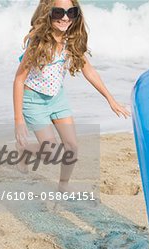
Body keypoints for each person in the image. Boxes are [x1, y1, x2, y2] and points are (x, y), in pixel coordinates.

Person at [13, 0, 130, 193]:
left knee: (71, 147)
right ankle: (24, 151)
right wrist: (18, 119)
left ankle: (63, 186)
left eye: (71, 12)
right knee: (51, 153)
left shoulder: (71, 40)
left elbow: (89, 70)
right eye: (59, 12)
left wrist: (110, 99)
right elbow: (19, 80)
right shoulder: (38, 42)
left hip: (57, 98)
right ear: (48, 13)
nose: (65, 17)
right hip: (33, 100)